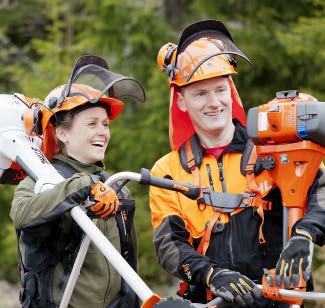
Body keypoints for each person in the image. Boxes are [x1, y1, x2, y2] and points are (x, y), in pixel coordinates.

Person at [149, 20, 325, 307]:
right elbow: (170, 245)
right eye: (200, 94)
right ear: (181, 101)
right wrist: (211, 274)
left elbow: (321, 189)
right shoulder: (167, 171)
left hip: (279, 299)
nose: (214, 102)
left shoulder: (272, 148)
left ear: (230, 90)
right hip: (213, 301)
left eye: (220, 90)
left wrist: (304, 235)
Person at [10, 55, 146, 308]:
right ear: (62, 133)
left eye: (105, 124)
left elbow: (129, 264)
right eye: (92, 123)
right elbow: (21, 214)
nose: (102, 132)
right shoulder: (41, 180)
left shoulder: (118, 188)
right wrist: (81, 187)